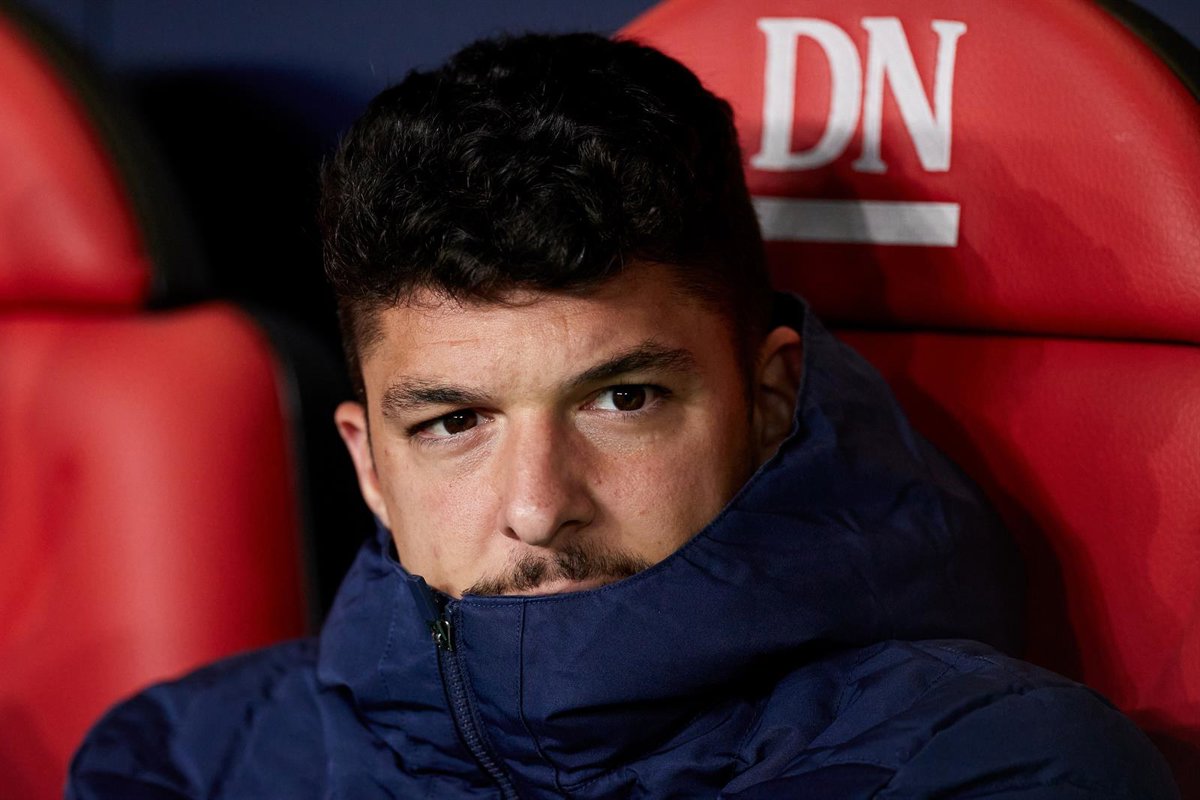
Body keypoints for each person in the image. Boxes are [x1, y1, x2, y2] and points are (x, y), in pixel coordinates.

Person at [67, 32, 1178, 799]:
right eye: (454, 422)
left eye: (621, 399)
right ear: (367, 464)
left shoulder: (994, 766)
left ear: (769, 399)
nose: (539, 505)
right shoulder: (185, 759)